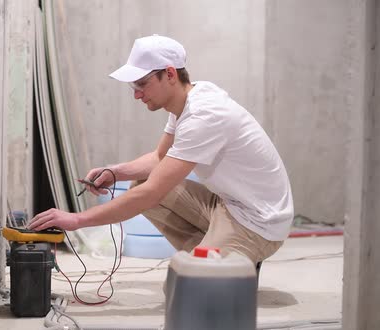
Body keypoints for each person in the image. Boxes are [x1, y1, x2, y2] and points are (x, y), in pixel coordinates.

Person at [28, 34, 294, 267]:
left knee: (190, 291)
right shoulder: (184, 103)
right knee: (141, 182)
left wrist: (77, 221)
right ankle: (218, 256)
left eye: (142, 84)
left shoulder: (204, 115)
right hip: (229, 205)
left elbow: (151, 193)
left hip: (258, 222)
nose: (136, 95)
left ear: (169, 74)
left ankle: (230, 260)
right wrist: (115, 172)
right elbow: (159, 158)